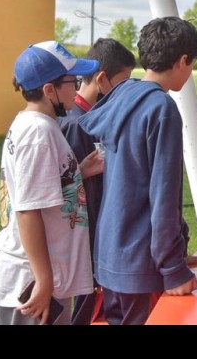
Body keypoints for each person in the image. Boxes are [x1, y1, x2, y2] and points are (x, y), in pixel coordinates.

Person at [78, 17, 197, 325]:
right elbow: (163, 197)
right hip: (141, 264)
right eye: (192, 64)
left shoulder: (122, 94)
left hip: (110, 255)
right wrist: (173, 268)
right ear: (183, 60)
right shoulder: (161, 108)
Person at [0, 40, 100, 325]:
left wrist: (78, 172)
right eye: (73, 82)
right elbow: (27, 210)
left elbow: (37, 186)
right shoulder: (38, 134)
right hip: (31, 285)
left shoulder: (39, 124)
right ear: (49, 90)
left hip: (38, 279)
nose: (77, 88)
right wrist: (44, 281)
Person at [57, 37, 136, 325]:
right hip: (85, 238)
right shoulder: (76, 124)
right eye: (122, 83)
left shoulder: (92, 116)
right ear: (102, 80)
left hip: (94, 235)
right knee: (85, 305)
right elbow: (74, 192)